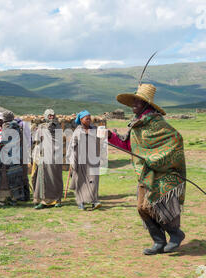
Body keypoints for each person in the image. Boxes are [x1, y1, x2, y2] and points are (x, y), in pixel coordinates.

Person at [108, 83, 186, 255]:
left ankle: (175, 234)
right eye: (134, 101)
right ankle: (158, 241)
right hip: (145, 173)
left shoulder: (157, 123)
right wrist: (109, 137)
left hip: (163, 173)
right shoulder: (136, 124)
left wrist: (155, 158)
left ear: (146, 104)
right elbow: (129, 146)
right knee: (142, 208)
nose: (134, 104)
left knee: (157, 206)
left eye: (138, 101)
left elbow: (176, 140)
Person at [67, 110, 101, 211]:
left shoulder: (95, 129)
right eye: (87, 118)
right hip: (80, 160)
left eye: (90, 118)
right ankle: (80, 202)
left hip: (93, 158)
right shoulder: (77, 131)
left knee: (94, 180)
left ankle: (94, 201)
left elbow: (100, 140)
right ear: (81, 120)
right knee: (80, 181)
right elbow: (71, 146)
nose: (89, 120)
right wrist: (72, 160)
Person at [32, 109, 63, 209]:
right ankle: (44, 201)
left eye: (53, 115)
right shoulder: (41, 127)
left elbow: (59, 141)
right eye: (49, 116)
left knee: (56, 178)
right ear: (45, 116)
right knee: (43, 178)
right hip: (44, 156)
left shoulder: (58, 126)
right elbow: (37, 141)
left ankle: (57, 199)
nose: (51, 118)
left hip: (56, 156)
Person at [0, 111, 25, 206]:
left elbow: (3, 143)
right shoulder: (18, 128)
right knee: (15, 178)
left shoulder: (6, 127)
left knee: (4, 180)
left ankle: (2, 200)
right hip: (16, 157)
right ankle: (14, 199)